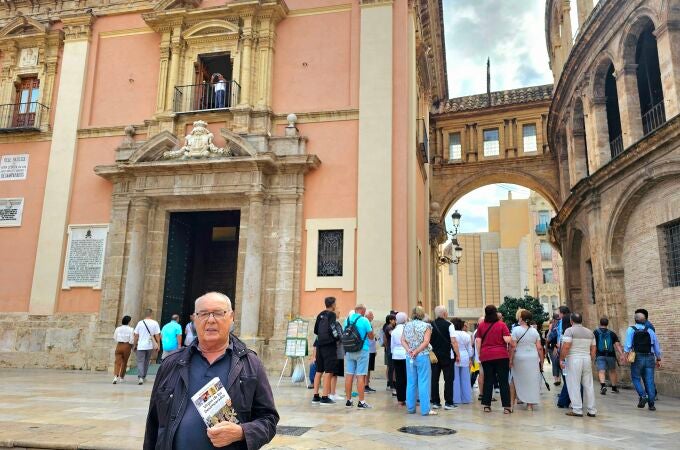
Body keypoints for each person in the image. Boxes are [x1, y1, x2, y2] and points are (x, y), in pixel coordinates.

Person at [143, 292, 278, 449]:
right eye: (204, 314)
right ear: (195, 319)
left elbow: (269, 419)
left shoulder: (251, 364)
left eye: (219, 313)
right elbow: (153, 424)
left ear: (231, 317)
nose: (211, 320)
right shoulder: (171, 364)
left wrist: (242, 432)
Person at [475, 305, 512, 414]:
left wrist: (480, 354)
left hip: (486, 356)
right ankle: (506, 407)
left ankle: (486, 405)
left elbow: (478, 341)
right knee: (503, 381)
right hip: (501, 356)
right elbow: (507, 339)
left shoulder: (481, 326)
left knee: (488, 380)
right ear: (495, 313)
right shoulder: (502, 325)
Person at [560, 313, 597, 417]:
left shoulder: (569, 331)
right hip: (587, 358)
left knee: (574, 384)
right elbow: (593, 349)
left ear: (571, 321)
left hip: (573, 359)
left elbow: (566, 346)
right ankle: (592, 410)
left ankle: (577, 409)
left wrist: (562, 359)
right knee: (589, 385)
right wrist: (591, 359)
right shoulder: (590, 332)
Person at [624, 312, 662, 411]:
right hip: (650, 357)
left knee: (635, 377)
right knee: (649, 380)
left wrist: (625, 356)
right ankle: (651, 404)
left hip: (637, 357)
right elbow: (656, 346)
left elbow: (628, 345)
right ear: (645, 320)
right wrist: (658, 358)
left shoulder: (630, 329)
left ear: (635, 320)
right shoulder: (650, 330)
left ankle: (643, 395)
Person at [401, 306, 435, 416]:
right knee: (424, 382)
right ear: (422, 314)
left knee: (411, 382)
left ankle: (410, 408)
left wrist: (410, 351)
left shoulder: (406, 325)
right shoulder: (426, 326)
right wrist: (416, 351)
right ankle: (425, 410)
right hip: (422, 356)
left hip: (409, 357)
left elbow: (402, 340)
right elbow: (426, 342)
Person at [509, 309, 543, 411]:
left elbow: (513, 347)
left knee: (514, 379)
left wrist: (510, 360)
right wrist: (541, 362)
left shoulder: (516, 330)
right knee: (531, 380)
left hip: (519, 357)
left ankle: (511, 405)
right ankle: (529, 405)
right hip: (532, 358)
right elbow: (539, 348)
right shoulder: (534, 331)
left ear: (521, 318)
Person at [343, 304, 374, 409]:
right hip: (362, 350)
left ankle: (348, 400)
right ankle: (361, 401)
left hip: (349, 350)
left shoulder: (347, 319)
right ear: (362, 310)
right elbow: (371, 336)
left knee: (349, 374)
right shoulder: (365, 320)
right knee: (360, 376)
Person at [430, 305, 459, 410]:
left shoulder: (430, 325)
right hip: (447, 356)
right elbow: (454, 341)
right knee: (448, 379)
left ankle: (435, 402)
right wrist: (458, 354)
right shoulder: (449, 325)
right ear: (444, 314)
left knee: (434, 379)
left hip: (434, 356)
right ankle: (448, 403)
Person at [312, 296, 339, 406]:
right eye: (335, 303)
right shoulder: (332, 314)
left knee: (319, 371)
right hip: (329, 346)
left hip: (319, 346)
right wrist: (337, 338)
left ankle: (315, 396)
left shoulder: (320, 314)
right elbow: (333, 328)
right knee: (329, 371)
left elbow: (315, 330)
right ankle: (325, 397)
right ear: (332, 304)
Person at [593, 317, 623, 395]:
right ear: (607, 324)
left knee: (601, 371)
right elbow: (617, 345)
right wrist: (621, 354)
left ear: (600, 323)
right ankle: (614, 388)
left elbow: (593, 345)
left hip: (600, 355)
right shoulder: (612, 333)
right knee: (612, 371)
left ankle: (603, 386)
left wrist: (592, 354)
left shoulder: (595, 332)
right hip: (611, 355)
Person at [133, 309, 161, 385]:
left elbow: (136, 335)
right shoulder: (155, 323)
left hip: (141, 345)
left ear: (145, 314)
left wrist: (134, 344)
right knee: (146, 361)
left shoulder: (140, 323)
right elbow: (157, 335)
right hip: (149, 345)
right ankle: (144, 376)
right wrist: (158, 344)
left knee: (140, 361)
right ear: (151, 315)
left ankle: (140, 377)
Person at [452, 318, 473, 405]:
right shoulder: (467, 335)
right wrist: (470, 358)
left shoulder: (452, 334)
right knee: (465, 379)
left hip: (455, 356)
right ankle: (466, 398)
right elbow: (470, 349)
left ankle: (456, 399)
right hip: (465, 356)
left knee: (455, 379)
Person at [391, 312, 408, 406]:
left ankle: (400, 399)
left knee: (399, 377)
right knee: (407, 377)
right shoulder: (406, 330)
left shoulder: (394, 331)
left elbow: (392, 345)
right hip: (405, 354)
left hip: (396, 356)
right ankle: (408, 397)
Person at [112, 315, 135, 384]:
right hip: (127, 345)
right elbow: (131, 340)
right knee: (124, 362)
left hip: (119, 345)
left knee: (117, 361)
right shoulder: (131, 329)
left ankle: (115, 377)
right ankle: (122, 377)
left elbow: (115, 338)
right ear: (129, 322)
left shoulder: (118, 329)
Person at [382, 314, 397, 393]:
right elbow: (393, 334)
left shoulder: (391, 327)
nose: (395, 321)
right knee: (391, 368)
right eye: (394, 320)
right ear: (390, 320)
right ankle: (391, 385)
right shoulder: (389, 327)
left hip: (391, 349)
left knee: (392, 367)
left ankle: (392, 384)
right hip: (390, 349)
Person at [365, 310, 377, 393]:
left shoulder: (369, 324)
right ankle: (365, 385)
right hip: (368, 350)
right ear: (367, 316)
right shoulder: (366, 324)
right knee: (367, 368)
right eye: (371, 315)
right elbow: (370, 337)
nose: (373, 316)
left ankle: (367, 384)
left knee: (369, 369)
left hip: (371, 350)